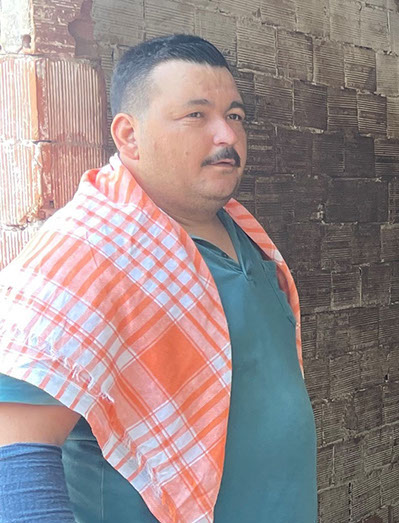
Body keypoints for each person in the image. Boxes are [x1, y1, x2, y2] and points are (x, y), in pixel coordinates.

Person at [0, 34, 316, 522]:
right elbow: (15, 451)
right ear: (129, 135)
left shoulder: (244, 234)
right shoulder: (87, 251)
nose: (227, 136)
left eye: (234, 116)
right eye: (196, 115)